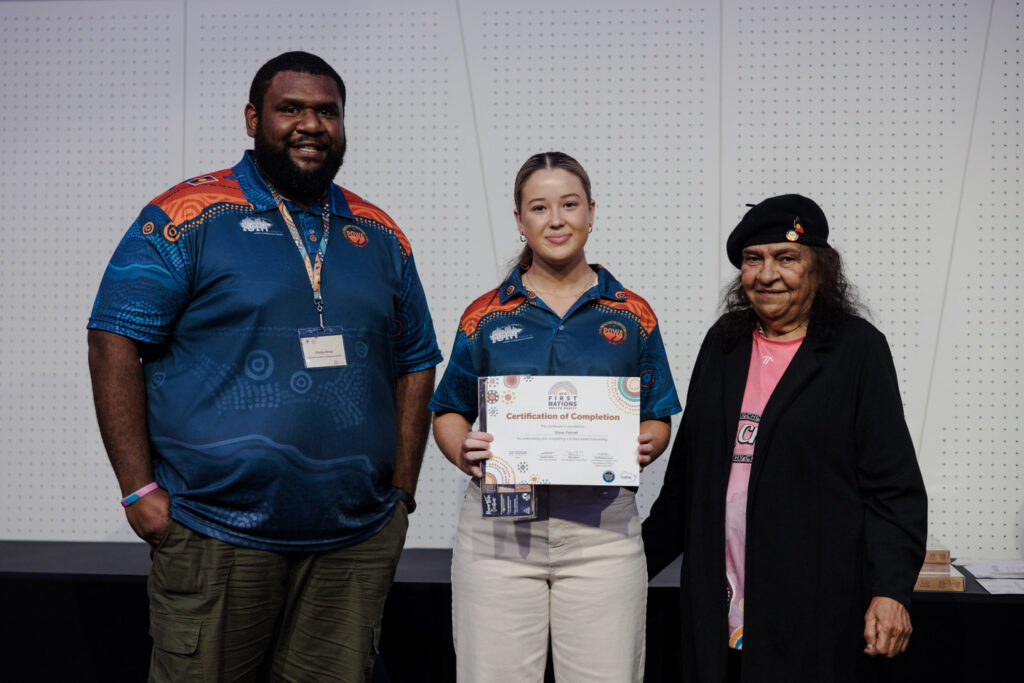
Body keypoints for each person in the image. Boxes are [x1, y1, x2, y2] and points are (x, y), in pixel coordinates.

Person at [87, 51, 441, 682]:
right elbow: (113, 338)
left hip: (351, 542)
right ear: (254, 118)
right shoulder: (185, 215)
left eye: (327, 111)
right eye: (291, 109)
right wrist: (140, 490)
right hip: (214, 532)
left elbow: (415, 360)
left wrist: (402, 494)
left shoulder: (380, 233)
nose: (311, 124)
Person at [642, 194, 928, 682]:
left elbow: (893, 487)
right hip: (717, 605)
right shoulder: (724, 343)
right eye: (754, 260)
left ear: (819, 269)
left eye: (786, 258)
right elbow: (686, 480)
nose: (767, 274)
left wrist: (891, 589)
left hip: (813, 610)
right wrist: (626, 569)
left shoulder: (857, 350)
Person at [429, 151, 682, 682]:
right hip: (499, 533)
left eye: (569, 204)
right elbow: (449, 410)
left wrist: (646, 444)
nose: (557, 219)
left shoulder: (631, 313)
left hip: (602, 533)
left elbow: (659, 415)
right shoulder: (486, 314)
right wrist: (462, 450)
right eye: (539, 208)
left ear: (591, 211)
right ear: (520, 221)